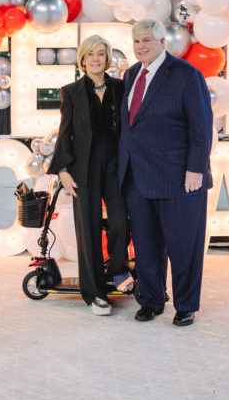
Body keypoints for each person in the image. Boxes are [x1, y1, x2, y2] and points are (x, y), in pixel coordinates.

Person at [119, 19, 213, 327]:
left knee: (183, 245)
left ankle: (186, 305)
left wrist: (196, 169)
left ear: (162, 41)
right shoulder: (131, 74)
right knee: (146, 245)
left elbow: (201, 126)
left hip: (178, 178)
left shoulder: (187, 75)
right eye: (136, 41)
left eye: (146, 40)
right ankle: (152, 300)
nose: (140, 46)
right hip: (136, 177)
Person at [48, 35, 132, 316]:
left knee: (120, 221)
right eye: (90, 54)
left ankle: (118, 269)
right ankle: (95, 293)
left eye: (101, 54)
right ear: (82, 59)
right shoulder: (71, 92)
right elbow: (65, 132)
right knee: (89, 229)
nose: (96, 59)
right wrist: (62, 170)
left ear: (107, 59)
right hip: (83, 167)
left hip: (116, 165)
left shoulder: (122, 88)